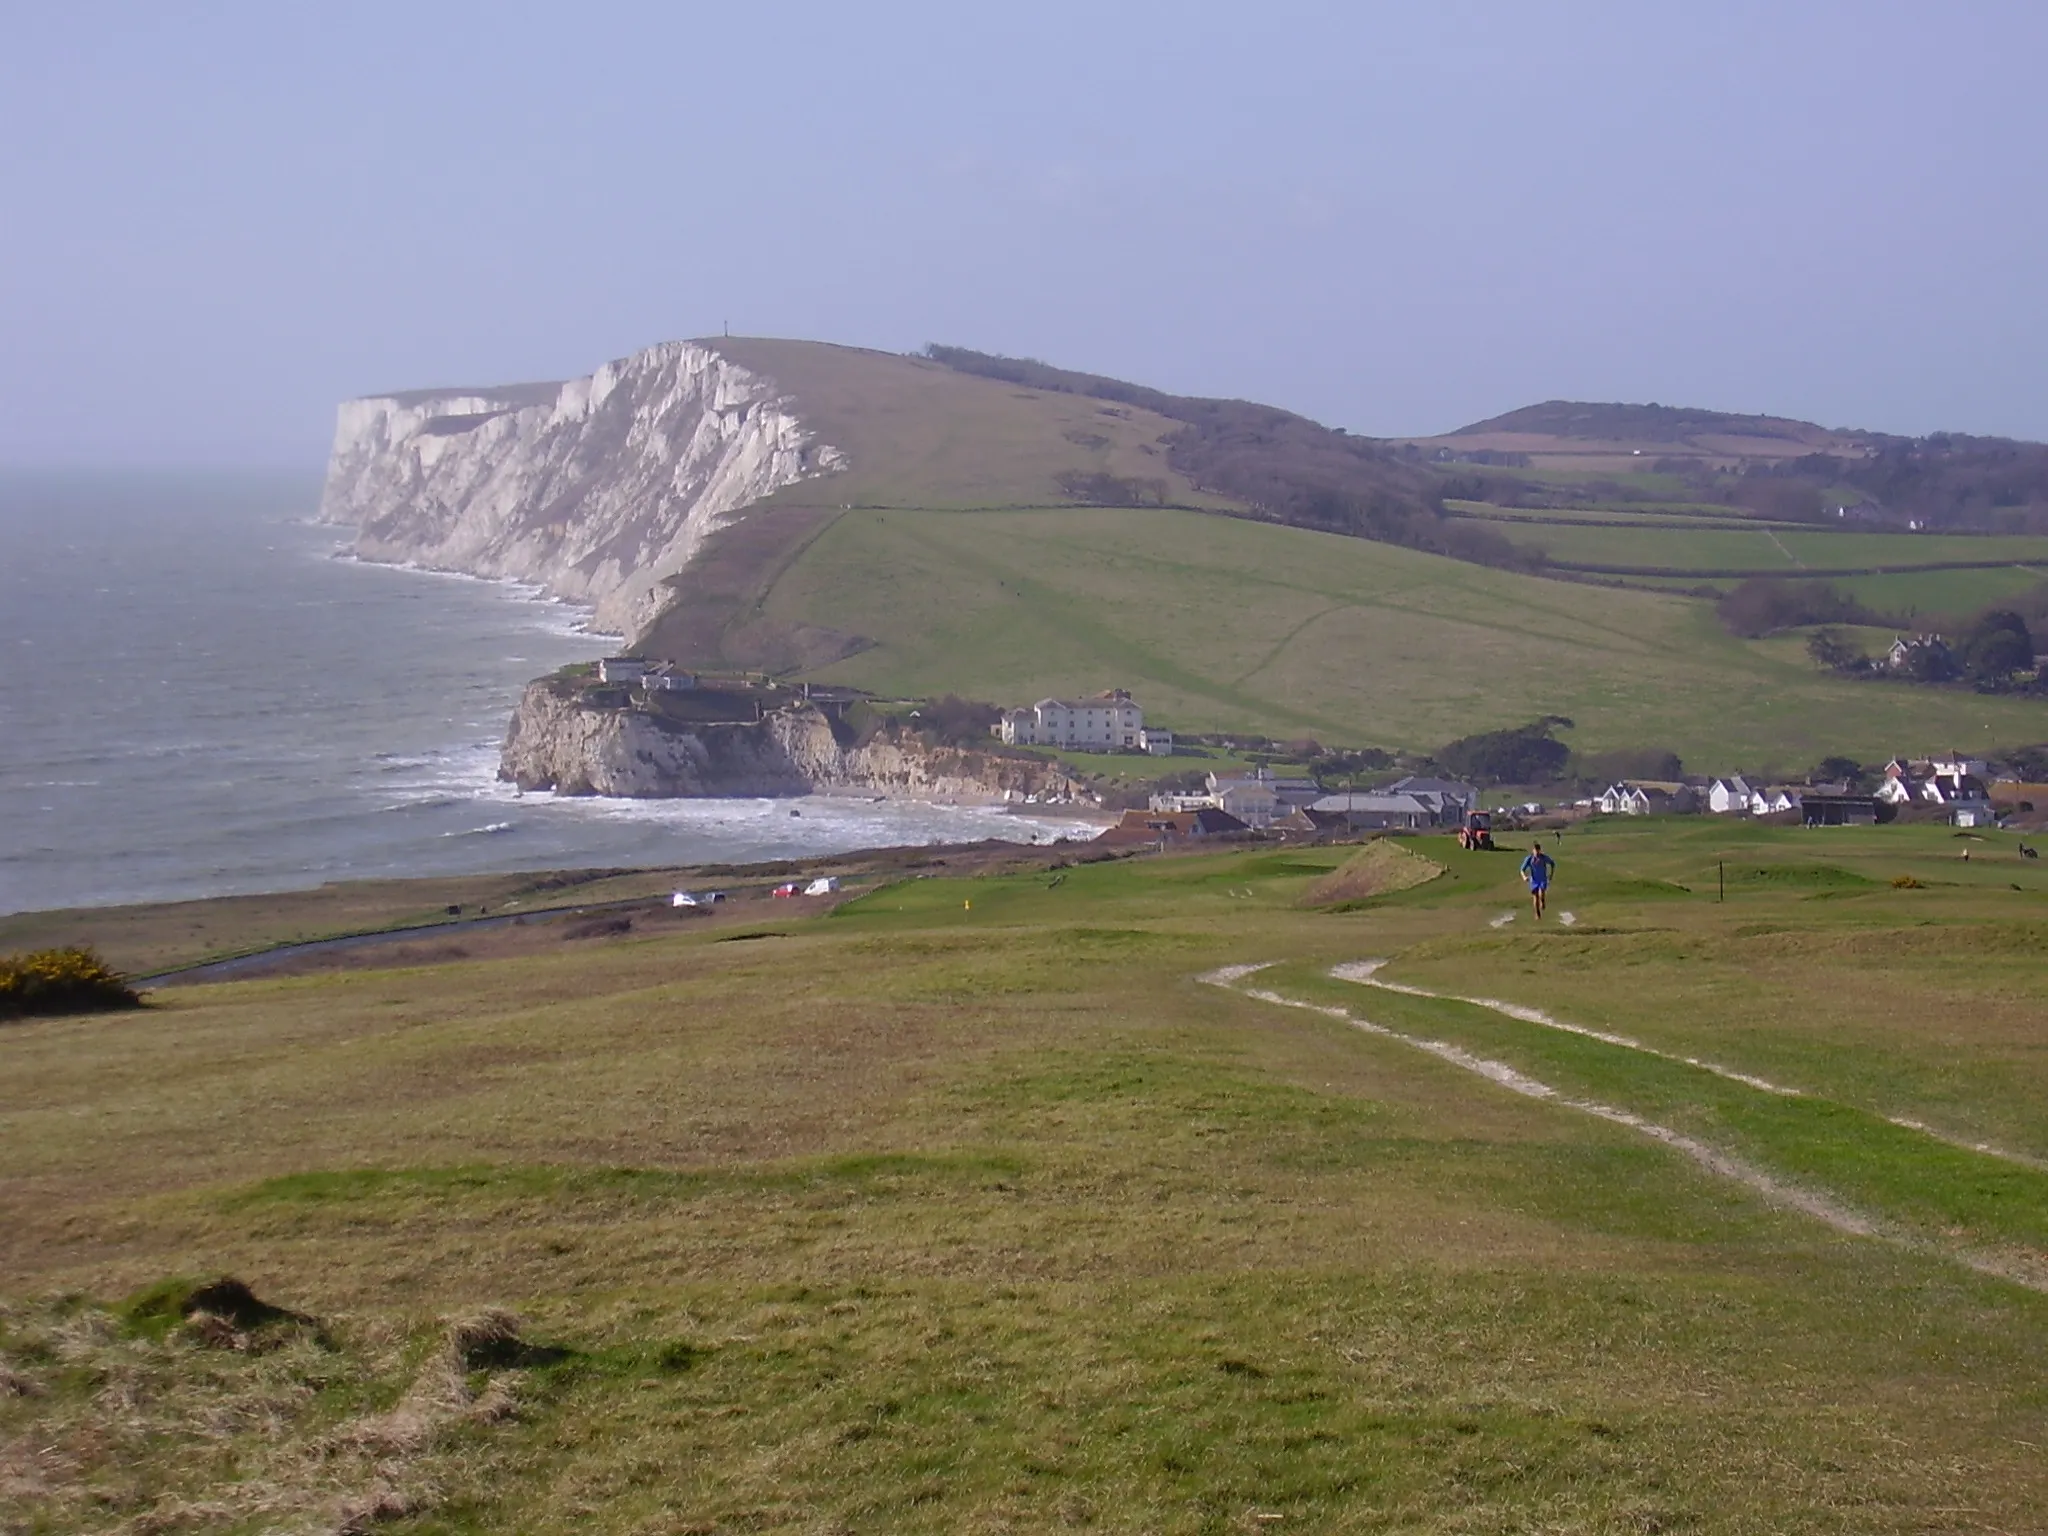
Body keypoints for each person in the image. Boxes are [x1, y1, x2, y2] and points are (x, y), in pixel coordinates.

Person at [1520, 841, 1556, 919]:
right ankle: (1537, 913)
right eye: (1535, 850)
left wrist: (1551, 874)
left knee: (1541, 893)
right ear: (1533, 850)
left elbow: (1552, 863)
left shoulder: (1543, 857)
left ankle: (1542, 901)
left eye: (1538, 850)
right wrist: (1524, 877)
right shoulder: (1529, 859)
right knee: (1535, 896)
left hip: (1542, 879)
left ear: (1540, 850)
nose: (1536, 852)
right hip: (1534, 880)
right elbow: (1522, 869)